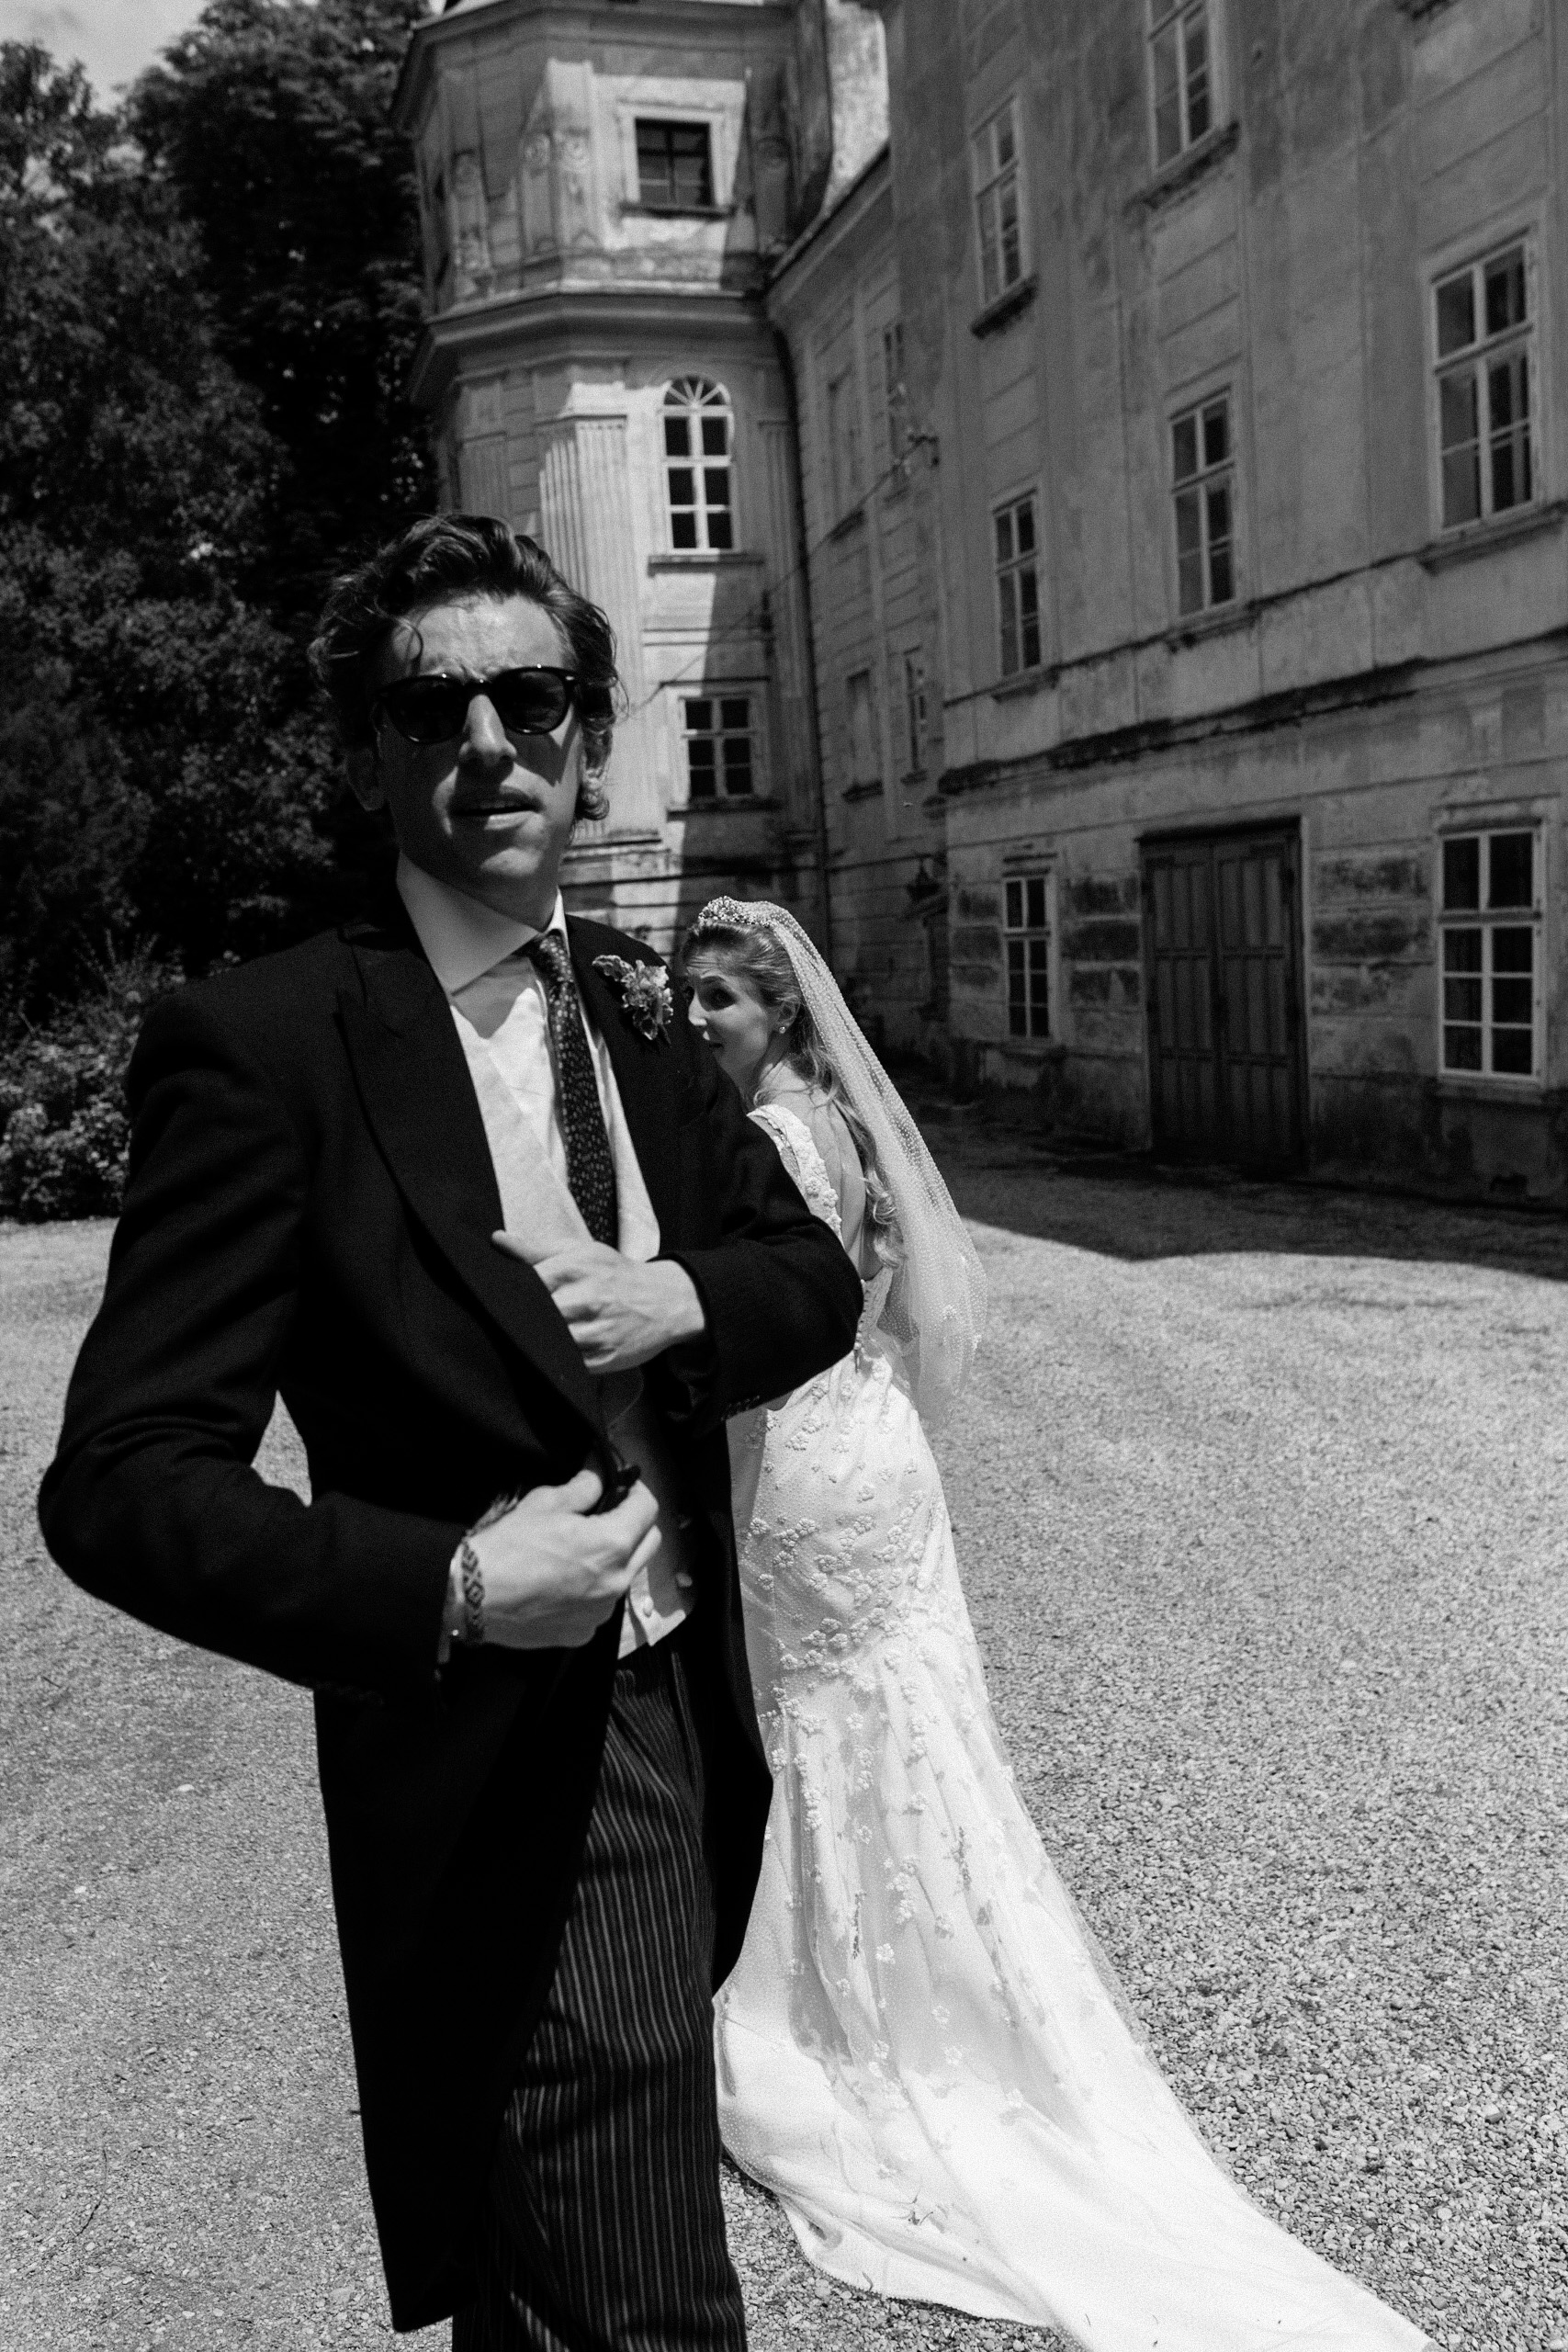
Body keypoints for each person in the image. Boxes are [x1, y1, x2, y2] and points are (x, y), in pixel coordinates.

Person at [38, 519, 863, 2349]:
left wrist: (682, 1301)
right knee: (640, 2290)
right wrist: (458, 1586)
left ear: (590, 737)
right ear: (370, 756)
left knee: (553, 2248)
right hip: (503, 1749)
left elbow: (812, 1274)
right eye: (433, 708)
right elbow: (119, 1482)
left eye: (531, 697)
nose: (488, 741)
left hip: (688, 1698)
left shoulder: (634, 1011)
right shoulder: (267, 1045)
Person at [682, 896, 1434, 2352]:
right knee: (899, 1726)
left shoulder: (771, 1136)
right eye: (690, 995)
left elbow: (764, 1318)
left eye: (719, 996)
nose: (697, 1018)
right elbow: (891, 1304)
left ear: (778, 1009)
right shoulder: (837, 1124)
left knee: (833, 1727)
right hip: (872, 1445)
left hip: (808, 1467)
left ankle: (853, 2023)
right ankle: (939, 1994)